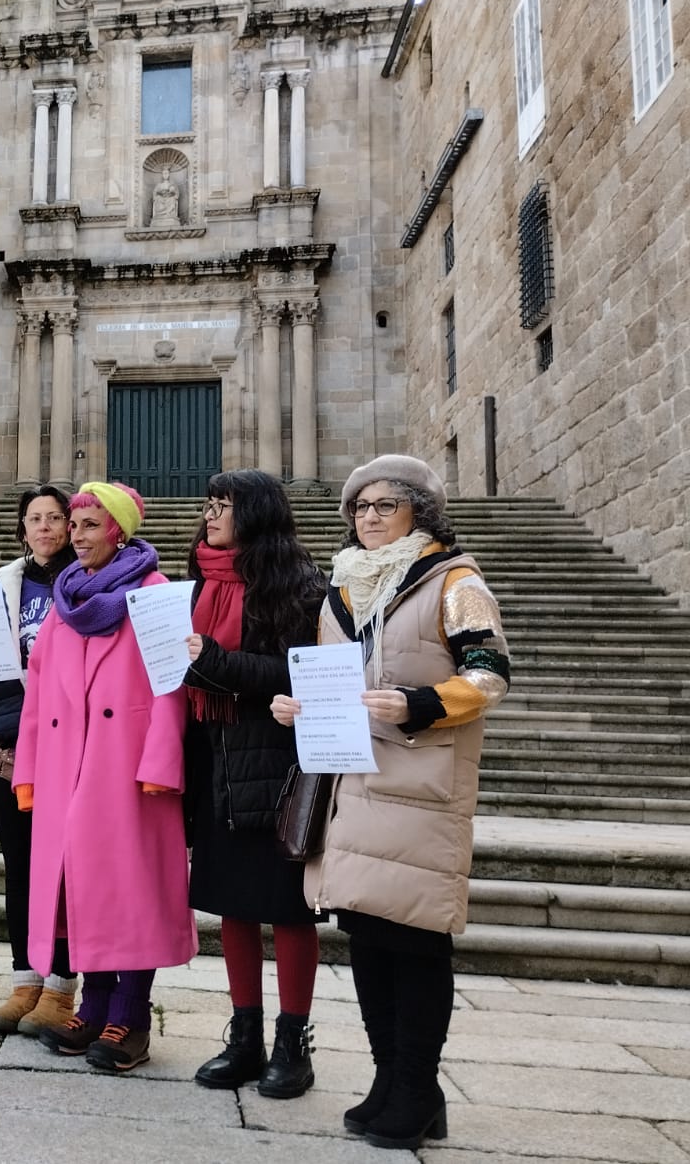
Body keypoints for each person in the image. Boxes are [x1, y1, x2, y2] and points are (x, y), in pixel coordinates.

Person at [271, 455, 510, 1150]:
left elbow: (491, 672)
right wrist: (298, 706)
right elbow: (333, 678)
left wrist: (421, 703)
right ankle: (388, 1081)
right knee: (367, 934)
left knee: (416, 937)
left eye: (384, 506)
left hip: (418, 781)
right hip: (352, 782)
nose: (368, 517)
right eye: (360, 508)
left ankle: (417, 1085)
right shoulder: (343, 588)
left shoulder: (454, 580)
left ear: (420, 512)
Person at [14, 482, 196, 1073]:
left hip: (129, 773)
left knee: (129, 891)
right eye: (75, 525)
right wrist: (29, 771)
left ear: (119, 530)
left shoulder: (156, 593)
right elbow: (37, 696)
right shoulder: (66, 601)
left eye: (91, 525)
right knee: (78, 889)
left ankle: (131, 1014)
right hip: (67, 771)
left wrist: (162, 765)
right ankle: (93, 1004)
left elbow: (172, 686)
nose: (78, 535)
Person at [183, 470, 328, 1098]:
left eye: (224, 506)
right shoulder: (198, 582)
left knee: (289, 908)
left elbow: (301, 671)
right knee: (233, 905)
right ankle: (245, 1036)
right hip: (212, 759)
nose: (211, 515)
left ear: (257, 514)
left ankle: (292, 1042)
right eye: (210, 504)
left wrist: (214, 664)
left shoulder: (298, 586)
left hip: (275, 760)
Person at [0, 484, 79, 1037]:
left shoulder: (87, 581)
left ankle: (62, 988)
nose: (46, 527)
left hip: (71, 738)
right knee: (22, 864)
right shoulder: (4, 583)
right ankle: (25, 980)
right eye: (36, 519)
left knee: (67, 870)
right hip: (12, 736)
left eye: (56, 517)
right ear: (22, 528)